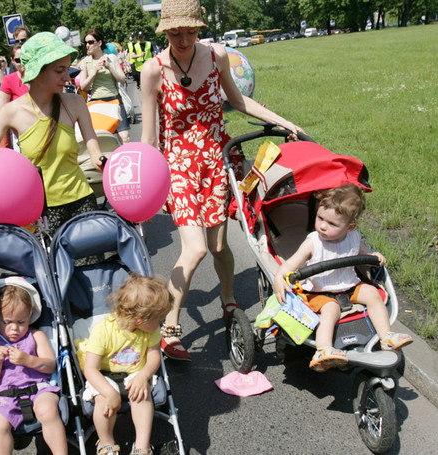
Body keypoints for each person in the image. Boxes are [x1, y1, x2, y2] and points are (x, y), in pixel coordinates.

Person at [140, 0, 304, 361]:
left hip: (217, 160)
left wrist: (285, 123)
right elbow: (149, 138)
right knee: (195, 248)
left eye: (190, 32)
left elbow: (238, 100)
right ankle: (169, 326)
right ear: (165, 31)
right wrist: (141, 186)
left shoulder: (216, 56)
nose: (183, 40)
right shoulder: (152, 70)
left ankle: (228, 299)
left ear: (199, 29)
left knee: (217, 246)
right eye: (174, 33)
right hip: (179, 167)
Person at [0, 32, 104, 234]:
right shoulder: (10, 112)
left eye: (67, 69)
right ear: (38, 71)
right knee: (51, 265)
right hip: (40, 210)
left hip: (82, 203)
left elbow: (95, 152)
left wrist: (113, 168)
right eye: (60, 70)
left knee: (91, 265)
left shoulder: (75, 103)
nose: (67, 77)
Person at [274, 183, 413, 372]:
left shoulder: (353, 237)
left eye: (332, 224)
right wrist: (280, 277)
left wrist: (375, 256)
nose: (322, 226)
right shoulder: (313, 242)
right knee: (331, 308)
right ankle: (323, 350)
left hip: (348, 285)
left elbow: (364, 252)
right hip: (319, 291)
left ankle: (386, 336)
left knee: (372, 293)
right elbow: (291, 264)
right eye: (320, 218)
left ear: (350, 227)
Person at [78, 275, 173, 455]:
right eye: (158, 319)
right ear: (140, 320)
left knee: (142, 396)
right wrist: (108, 391)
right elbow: (90, 368)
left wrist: (144, 376)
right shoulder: (103, 331)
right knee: (103, 402)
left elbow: (154, 356)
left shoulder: (149, 331)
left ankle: (141, 446)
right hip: (103, 374)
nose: (160, 323)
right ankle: (106, 443)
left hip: (135, 372)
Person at [0, 282, 67, 455]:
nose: (14, 328)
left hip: (39, 389)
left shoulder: (36, 336)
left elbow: (51, 366)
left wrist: (28, 360)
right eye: (7, 322)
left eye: (21, 322)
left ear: (30, 316)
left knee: (48, 410)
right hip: (5, 395)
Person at [79, 29, 131, 144]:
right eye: (86, 43)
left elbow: (122, 79)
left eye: (91, 42)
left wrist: (109, 67)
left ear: (99, 43)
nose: (87, 45)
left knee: (125, 137)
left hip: (114, 99)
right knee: (103, 140)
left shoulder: (111, 58)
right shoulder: (86, 62)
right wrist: (94, 72)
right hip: (96, 102)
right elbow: (83, 86)